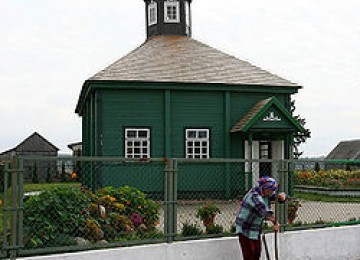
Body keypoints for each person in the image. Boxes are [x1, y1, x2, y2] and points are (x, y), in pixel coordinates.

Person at [235, 176, 286, 260]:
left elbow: (276, 197)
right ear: (264, 188)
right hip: (245, 229)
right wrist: (275, 222)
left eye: (273, 190)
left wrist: (282, 197)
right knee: (249, 255)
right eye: (270, 190)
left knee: (256, 254)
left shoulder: (265, 192)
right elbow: (265, 213)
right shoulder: (254, 197)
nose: (272, 192)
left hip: (255, 229)